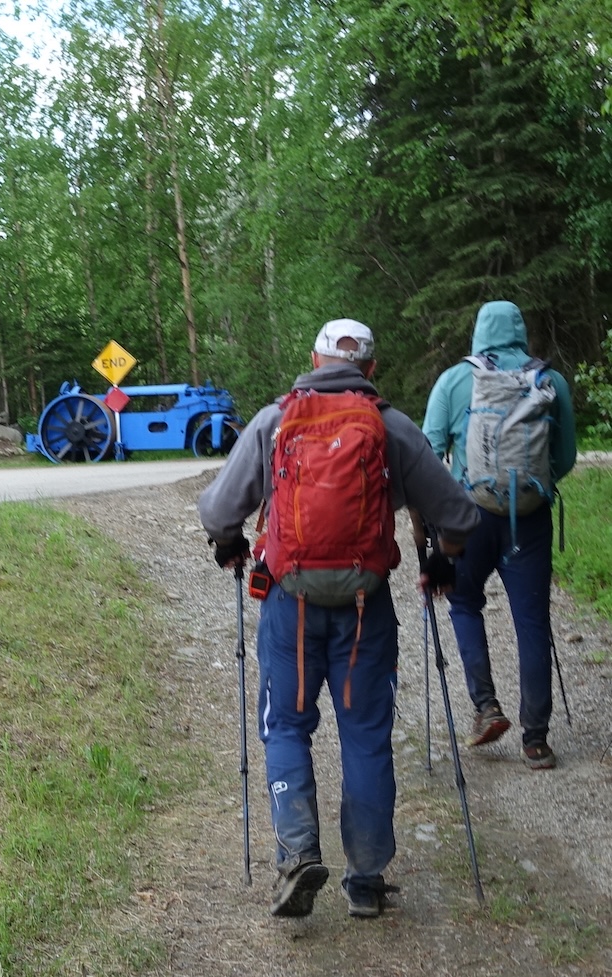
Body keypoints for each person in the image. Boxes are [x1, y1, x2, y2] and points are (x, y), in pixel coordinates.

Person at [198, 319, 479, 919]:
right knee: (366, 737)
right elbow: (457, 515)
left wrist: (230, 544)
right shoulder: (391, 427)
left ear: (313, 361)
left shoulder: (276, 421)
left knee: (286, 727)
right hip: (364, 611)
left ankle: (298, 854)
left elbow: (220, 508)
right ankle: (366, 879)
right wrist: (442, 559)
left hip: (289, 606)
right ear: (370, 370)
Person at [423, 300, 577, 770]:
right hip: (528, 520)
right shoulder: (548, 380)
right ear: (520, 332)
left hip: (467, 519)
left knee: (465, 602)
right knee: (531, 623)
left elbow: (429, 454)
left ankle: (486, 706)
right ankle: (536, 740)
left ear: (478, 333)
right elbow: (566, 457)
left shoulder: (454, 380)